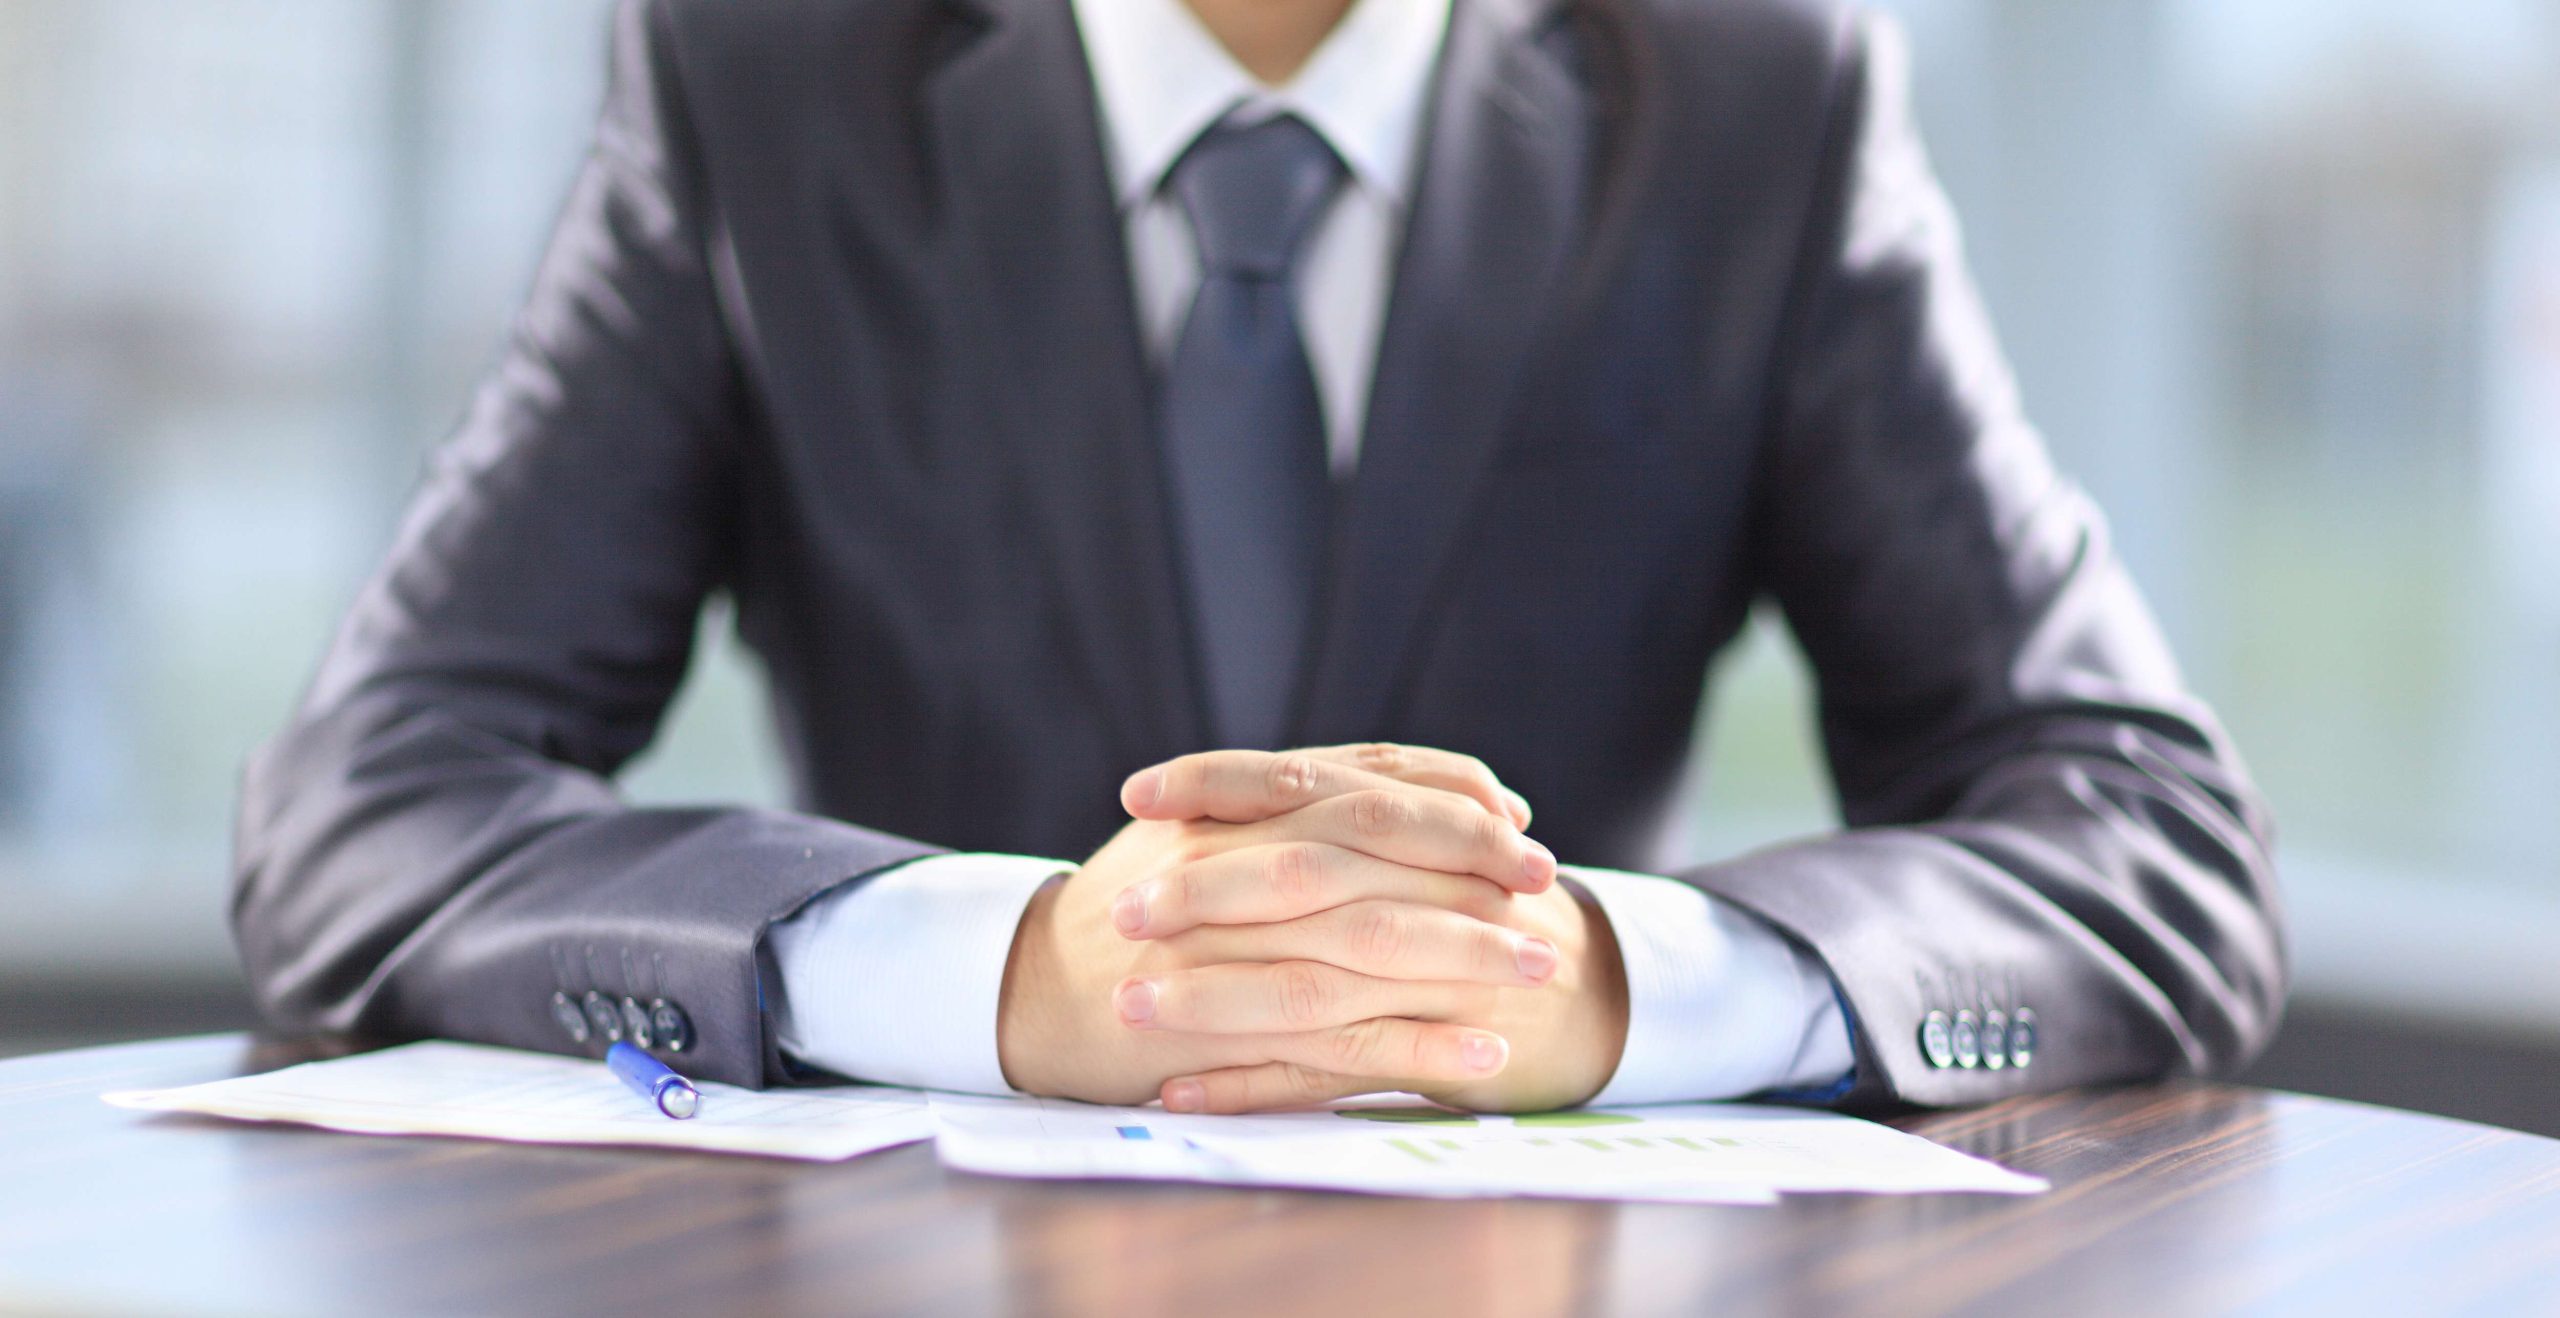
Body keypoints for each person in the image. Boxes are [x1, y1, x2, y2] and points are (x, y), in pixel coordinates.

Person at [232, 0, 2285, 1115]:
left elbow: (2148, 838)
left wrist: (1578, 983)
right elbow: (363, 812)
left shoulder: (1756, 93)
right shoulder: (754, 71)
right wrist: (1009, 967)